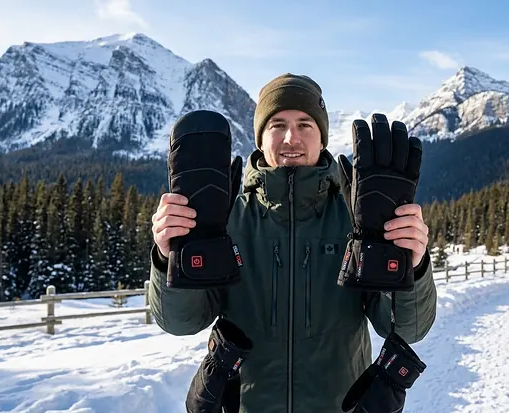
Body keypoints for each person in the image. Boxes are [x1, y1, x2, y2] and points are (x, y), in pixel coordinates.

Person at [148, 73, 437, 412]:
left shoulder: (356, 221)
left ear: (322, 137)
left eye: (305, 125)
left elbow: (407, 328)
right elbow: (181, 322)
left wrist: (409, 264)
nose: (291, 138)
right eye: (277, 124)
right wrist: (171, 258)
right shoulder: (227, 219)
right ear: (260, 137)